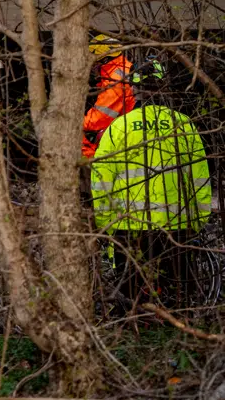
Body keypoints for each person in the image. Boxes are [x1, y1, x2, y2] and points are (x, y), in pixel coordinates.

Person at [91, 86, 213, 312]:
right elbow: (200, 177)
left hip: (130, 227)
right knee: (177, 298)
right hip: (177, 226)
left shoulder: (119, 127)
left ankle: (137, 328)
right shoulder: (183, 124)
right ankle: (177, 327)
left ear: (134, 90)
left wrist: (106, 223)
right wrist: (199, 220)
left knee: (132, 300)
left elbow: (101, 181)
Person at [82, 35, 135, 159]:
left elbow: (98, 120)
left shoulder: (115, 80)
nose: (92, 66)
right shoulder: (122, 68)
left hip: (125, 131)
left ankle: (92, 163)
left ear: (105, 60)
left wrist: (72, 122)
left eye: (95, 61)